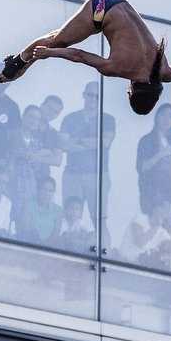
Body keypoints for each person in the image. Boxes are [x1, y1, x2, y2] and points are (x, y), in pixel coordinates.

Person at [0, 0, 171, 120]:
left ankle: (24, 62)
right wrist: (50, 53)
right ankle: (19, 60)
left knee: (59, 39)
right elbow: (79, 55)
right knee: (58, 41)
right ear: (132, 91)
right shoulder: (117, 68)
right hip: (100, 10)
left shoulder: (165, 71)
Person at [60, 81, 115, 232]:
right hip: (73, 175)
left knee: (99, 220)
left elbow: (105, 142)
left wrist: (77, 140)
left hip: (97, 176)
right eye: (90, 95)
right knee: (69, 217)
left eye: (97, 96)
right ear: (84, 95)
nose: (93, 99)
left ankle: (105, 250)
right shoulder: (70, 118)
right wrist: (92, 142)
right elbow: (64, 145)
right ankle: (67, 249)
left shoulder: (108, 119)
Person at [9, 104, 62, 217]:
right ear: (23, 117)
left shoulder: (36, 142)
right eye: (31, 117)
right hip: (12, 183)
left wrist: (37, 156)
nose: (34, 121)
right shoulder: (11, 135)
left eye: (37, 119)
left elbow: (50, 158)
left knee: (25, 220)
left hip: (30, 187)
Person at [136, 103, 171, 215]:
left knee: (168, 229)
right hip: (152, 191)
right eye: (163, 115)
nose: (166, 119)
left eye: (170, 116)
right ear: (157, 117)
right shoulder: (146, 140)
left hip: (170, 191)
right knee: (153, 229)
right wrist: (161, 154)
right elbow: (142, 167)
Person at [15, 175, 62, 245]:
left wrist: (45, 245)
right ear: (38, 190)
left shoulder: (58, 210)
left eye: (50, 191)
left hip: (48, 248)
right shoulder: (28, 205)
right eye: (44, 189)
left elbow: (55, 235)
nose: (47, 193)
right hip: (28, 245)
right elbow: (25, 229)